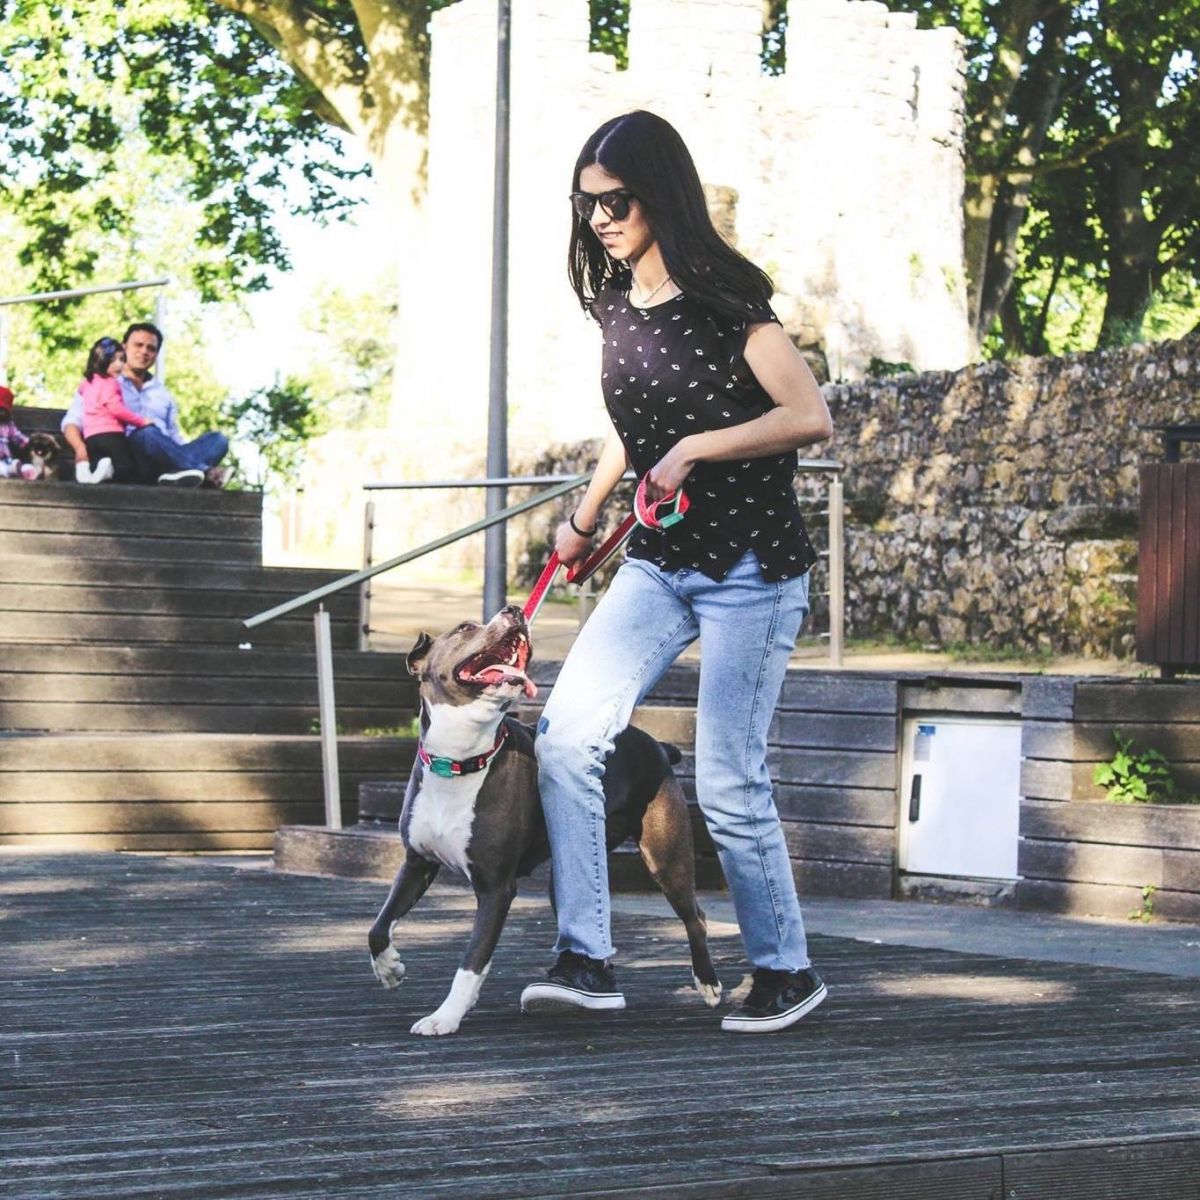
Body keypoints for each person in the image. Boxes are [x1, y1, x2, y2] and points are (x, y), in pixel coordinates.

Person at [519, 111, 834, 1034]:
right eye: (588, 208)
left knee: (732, 780)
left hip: (750, 568)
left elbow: (808, 414)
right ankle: (586, 956)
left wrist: (698, 447)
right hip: (657, 563)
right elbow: (632, 427)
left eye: (616, 202)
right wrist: (582, 521)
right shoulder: (616, 308)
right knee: (569, 739)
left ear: (661, 194)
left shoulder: (727, 296)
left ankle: (786, 972)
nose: (602, 221)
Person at [60, 323, 230, 488]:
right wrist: (80, 449)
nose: (144, 352)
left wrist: (175, 454)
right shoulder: (101, 382)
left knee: (217, 440)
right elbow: (72, 422)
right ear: (124, 347)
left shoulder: (162, 392)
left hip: (164, 455)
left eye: (151, 348)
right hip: (130, 457)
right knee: (146, 433)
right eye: (138, 345)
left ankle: (175, 472)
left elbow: (173, 434)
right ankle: (204, 472)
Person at [78, 337, 152, 483]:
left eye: (122, 359)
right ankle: (108, 471)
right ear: (101, 360)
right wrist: (141, 421)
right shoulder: (111, 383)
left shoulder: (87, 382)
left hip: (91, 436)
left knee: (99, 463)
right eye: (113, 360)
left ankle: (90, 473)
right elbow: (116, 409)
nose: (120, 364)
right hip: (111, 433)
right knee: (127, 467)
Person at [0, 386, 40, 481]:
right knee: (3, 468)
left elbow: (18, 437)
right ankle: (10, 471)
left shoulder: (8, 425)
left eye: (2, 410)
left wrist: (30, 443)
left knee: (11, 464)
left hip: (5, 458)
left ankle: (24, 470)